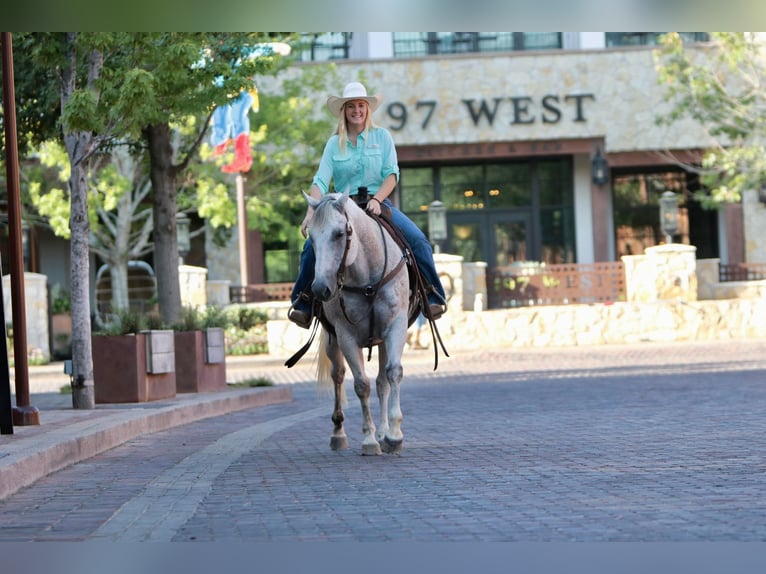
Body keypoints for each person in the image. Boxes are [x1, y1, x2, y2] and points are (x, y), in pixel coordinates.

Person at [288, 81, 447, 329]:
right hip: (343, 208)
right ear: (344, 110)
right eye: (351, 106)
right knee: (311, 246)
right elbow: (320, 179)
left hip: (378, 204)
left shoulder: (382, 137)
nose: (357, 110)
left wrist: (376, 199)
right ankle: (303, 302)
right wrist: (312, 211)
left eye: (361, 105)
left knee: (418, 241)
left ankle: (432, 295)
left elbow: (391, 174)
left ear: (367, 108)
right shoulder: (333, 144)